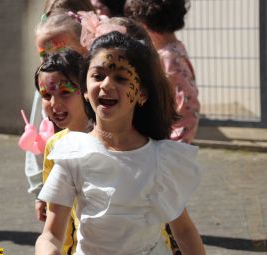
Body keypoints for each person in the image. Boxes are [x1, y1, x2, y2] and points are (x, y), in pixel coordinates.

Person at [35, 31, 205, 255]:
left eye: (121, 78)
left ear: (142, 93)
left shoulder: (161, 158)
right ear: (85, 90)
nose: (106, 84)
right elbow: (51, 235)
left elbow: (183, 231)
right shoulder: (72, 153)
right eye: (98, 76)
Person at [24, 0, 95, 207]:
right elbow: (37, 142)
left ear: (87, 43)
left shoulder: (101, 89)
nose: (53, 60)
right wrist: (40, 191)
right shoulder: (47, 92)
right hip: (62, 193)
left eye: (61, 50)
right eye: (44, 55)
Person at [124, 0, 200, 144]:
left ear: (144, 25)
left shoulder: (169, 59)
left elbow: (187, 106)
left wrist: (175, 145)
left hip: (169, 144)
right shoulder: (174, 49)